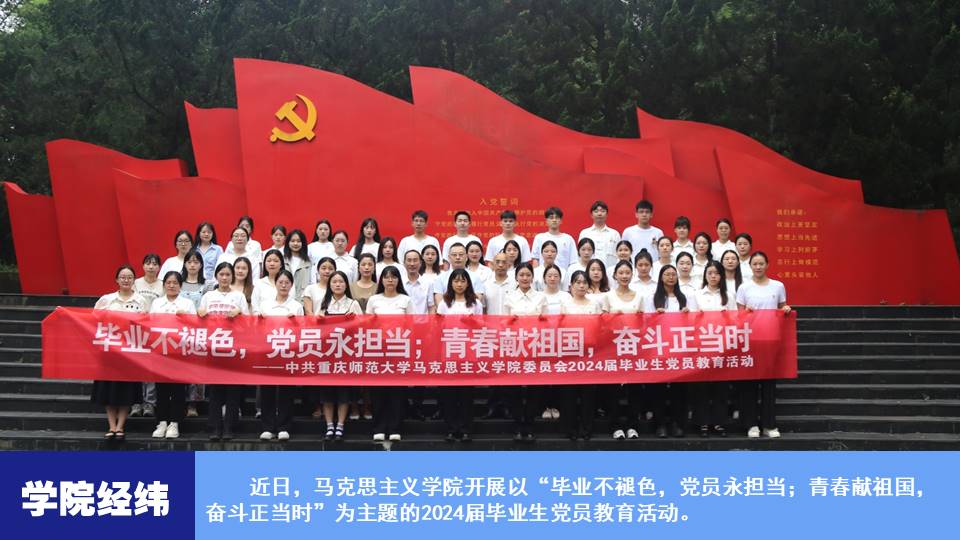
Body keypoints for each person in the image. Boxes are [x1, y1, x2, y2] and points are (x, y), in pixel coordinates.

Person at [736, 251, 791, 439]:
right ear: (750, 266)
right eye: (755, 264)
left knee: (769, 384)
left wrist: (785, 309)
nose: (758, 267)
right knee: (749, 384)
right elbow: (738, 315)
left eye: (761, 263)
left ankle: (769, 425)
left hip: (771, 340)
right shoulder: (744, 287)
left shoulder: (778, 286)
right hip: (751, 341)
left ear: (767, 265)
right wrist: (745, 312)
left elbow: (782, 307)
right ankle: (751, 424)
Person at [90, 265, 147, 441]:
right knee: (108, 390)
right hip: (109, 352)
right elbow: (92, 319)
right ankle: (111, 426)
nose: (126, 280)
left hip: (130, 353)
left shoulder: (141, 301)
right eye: (123, 277)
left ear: (134, 280)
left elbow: (146, 324)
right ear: (117, 279)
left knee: (125, 391)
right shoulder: (107, 300)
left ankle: (121, 425)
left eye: (129, 277)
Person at [198, 262, 249, 441]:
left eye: (228, 274)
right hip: (213, 349)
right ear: (216, 276)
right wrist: (199, 312)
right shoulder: (208, 296)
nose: (225, 277)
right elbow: (200, 321)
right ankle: (215, 427)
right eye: (222, 274)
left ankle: (229, 427)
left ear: (232, 276)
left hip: (233, 348)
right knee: (215, 391)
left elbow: (248, 322)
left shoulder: (239, 296)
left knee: (233, 391)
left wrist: (240, 313)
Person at [645, 264, 697, 438]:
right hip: (659, 349)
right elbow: (644, 321)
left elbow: (695, 321)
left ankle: (677, 423)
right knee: (658, 389)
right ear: (661, 277)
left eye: (673, 274)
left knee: (678, 390)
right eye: (667, 274)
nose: (670, 277)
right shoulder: (652, 298)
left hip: (679, 348)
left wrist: (688, 314)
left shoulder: (685, 297)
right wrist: (654, 316)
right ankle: (660, 424)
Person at [366, 266, 414, 442]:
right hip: (377, 349)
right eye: (386, 277)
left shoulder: (406, 300)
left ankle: (395, 427)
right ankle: (379, 427)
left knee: (397, 390)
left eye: (393, 277)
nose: (390, 280)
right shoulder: (374, 299)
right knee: (378, 390)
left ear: (398, 280)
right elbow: (367, 324)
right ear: (382, 280)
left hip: (399, 349)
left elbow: (412, 325)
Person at [255, 269, 303, 442]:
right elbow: (256, 329)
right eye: (280, 282)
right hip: (268, 352)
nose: (283, 285)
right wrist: (259, 319)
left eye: (287, 283)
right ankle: (267, 427)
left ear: (291, 285)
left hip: (288, 353)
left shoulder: (296, 306)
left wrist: (295, 322)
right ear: (275, 284)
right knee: (267, 390)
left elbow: (303, 331)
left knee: (286, 391)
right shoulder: (265, 305)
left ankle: (284, 427)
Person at [148, 271, 196, 439]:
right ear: (164, 285)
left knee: (178, 389)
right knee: (161, 389)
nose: (171, 285)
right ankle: (161, 422)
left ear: (180, 286)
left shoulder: (187, 303)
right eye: (168, 282)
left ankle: (175, 422)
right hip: (161, 352)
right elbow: (150, 324)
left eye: (175, 283)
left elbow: (195, 326)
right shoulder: (157, 303)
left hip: (180, 353)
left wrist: (186, 318)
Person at [436, 269, 482, 442]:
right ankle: (451, 428)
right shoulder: (444, 303)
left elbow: (481, 325)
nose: (459, 284)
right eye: (456, 281)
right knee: (449, 394)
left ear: (468, 283)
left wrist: (472, 321)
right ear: (451, 284)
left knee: (466, 394)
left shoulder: (475, 303)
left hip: (468, 352)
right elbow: (438, 326)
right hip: (449, 351)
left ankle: (465, 428)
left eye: (463, 281)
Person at [316, 271, 363, 441]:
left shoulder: (352, 304)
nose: (337, 284)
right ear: (330, 285)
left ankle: (340, 425)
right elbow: (313, 327)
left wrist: (354, 320)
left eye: (341, 282)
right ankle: (329, 425)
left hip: (346, 354)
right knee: (327, 392)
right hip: (327, 354)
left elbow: (363, 326)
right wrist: (319, 320)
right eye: (334, 282)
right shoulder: (324, 304)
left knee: (344, 392)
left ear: (346, 285)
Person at [503, 262, 546, 442]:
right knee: (514, 389)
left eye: (528, 275)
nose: (525, 278)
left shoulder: (541, 297)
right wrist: (510, 321)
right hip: (515, 347)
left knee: (535, 389)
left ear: (532, 277)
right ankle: (518, 425)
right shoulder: (509, 297)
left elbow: (546, 323)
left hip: (535, 347)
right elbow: (503, 323)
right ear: (516, 278)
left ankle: (529, 424)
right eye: (521, 275)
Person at [560, 270, 603, 440]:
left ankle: (587, 428)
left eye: (584, 282)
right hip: (570, 354)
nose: (581, 285)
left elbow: (600, 327)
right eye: (577, 282)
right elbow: (560, 328)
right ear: (571, 285)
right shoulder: (565, 304)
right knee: (569, 394)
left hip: (590, 354)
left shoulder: (594, 304)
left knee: (588, 394)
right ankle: (570, 429)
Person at [692, 261, 733, 437]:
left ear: (721, 276)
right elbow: (689, 321)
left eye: (716, 273)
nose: (713, 276)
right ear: (705, 275)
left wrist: (727, 318)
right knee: (701, 388)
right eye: (710, 273)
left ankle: (719, 422)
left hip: (722, 347)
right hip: (702, 346)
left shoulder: (728, 296)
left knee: (720, 387)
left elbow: (737, 321)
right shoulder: (697, 295)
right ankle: (702, 423)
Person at [605, 260, 645, 440]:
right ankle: (616, 426)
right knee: (614, 389)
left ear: (632, 274)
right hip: (613, 347)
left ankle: (632, 425)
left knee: (634, 389)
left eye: (627, 273)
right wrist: (612, 318)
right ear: (615, 275)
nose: (624, 276)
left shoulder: (639, 296)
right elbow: (602, 323)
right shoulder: (608, 297)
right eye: (621, 273)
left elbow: (645, 323)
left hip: (634, 348)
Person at [131, 253, 163, 418]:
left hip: (155, 331)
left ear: (159, 267)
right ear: (143, 266)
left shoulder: (163, 284)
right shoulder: (135, 283)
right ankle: (136, 402)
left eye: (154, 264)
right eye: (148, 263)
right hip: (136, 330)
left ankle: (150, 402)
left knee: (151, 368)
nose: (151, 267)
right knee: (136, 367)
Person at [179, 249, 210, 418]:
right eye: (189, 262)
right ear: (184, 264)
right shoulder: (178, 282)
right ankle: (179, 402)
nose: (192, 265)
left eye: (196, 262)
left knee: (196, 369)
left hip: (199, 331)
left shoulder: (207, 284)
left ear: (201, 265)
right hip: (179, 331)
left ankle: (193, 403)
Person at [538, 263, 569, 420]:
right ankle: (544, 405)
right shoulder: (538, 296)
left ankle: (556, 405)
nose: (552, 278)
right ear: (544, 278)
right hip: (542, 340)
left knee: (559, 374)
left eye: (556, 276)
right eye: (549, 276)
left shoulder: (566, 296)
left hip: (562, 340)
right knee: (544, 374)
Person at [432, 243, 486, 308]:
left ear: (466, 257)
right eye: (454, 255)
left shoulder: (475, 277)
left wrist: (463, 311)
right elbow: (439, 302)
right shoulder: (440, 278)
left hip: (469, 312)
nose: (457, 257)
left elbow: (477, 301)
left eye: (461, 254)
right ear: (449, 258)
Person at [579, 200, 621, 269]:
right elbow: (580, 255)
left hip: (610, 271)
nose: (599, 214)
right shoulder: (585, 233)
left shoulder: (614, 234)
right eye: (596, 211)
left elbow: (619, 255)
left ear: (607, 215)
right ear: (591, 215)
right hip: (589, 271)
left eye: (603, 211)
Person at [250, 249, 285, 315]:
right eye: (268, 261)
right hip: (263, 319)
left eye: (276, 261)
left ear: (281, 265)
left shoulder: (288, 283)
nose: (272, 264)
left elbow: (291, 303)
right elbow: (255, 307)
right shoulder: (259, 283)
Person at [284, 228, 313, 302]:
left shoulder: (309, 263)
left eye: (298, 241)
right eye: (292, 241)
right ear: (288, 243)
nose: (295, 243)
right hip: (284, 301)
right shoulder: (282, 261)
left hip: (303, 302)